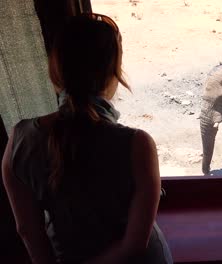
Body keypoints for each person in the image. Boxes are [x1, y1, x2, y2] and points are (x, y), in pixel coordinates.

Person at [2, 13, 173, 264]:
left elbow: (27, 230)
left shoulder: (19, 138)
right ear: (114, 72)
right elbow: (135, 244)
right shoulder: (137, 144)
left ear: (55, 70)